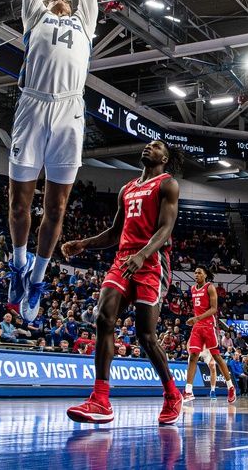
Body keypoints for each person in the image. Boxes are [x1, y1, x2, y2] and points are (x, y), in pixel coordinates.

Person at [7, 0, 99, 324]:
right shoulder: (35, 17)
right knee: (18, 203)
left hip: (69, 110)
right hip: (33, 104)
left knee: (57, 208)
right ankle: (18, 265)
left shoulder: (85, 21)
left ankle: (39, 280)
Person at [62, 140, 186, 425]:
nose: (148, 148)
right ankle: (101, 399)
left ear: (164, 158)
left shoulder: (168, 185)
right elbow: (115, 232)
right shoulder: (126, 189)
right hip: (123, 260)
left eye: (155, 146)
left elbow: (166, 229)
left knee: (145, 336)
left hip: (152, 262)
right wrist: (85, 243)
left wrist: (143, 255)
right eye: (146, 145)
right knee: (103, 319)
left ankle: (171, 394)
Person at [182, 265, 236, 404]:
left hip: (209, 326)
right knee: (193, 355)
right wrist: (194, 320)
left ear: (205, 275)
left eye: (199, 273)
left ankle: (230, 387)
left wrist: (197, 318)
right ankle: (188, 390)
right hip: (197, 326)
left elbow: (213, 309)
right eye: (195, 273)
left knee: (217, 357)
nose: (196, 275)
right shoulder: (193, 289)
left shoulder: (210, 287)